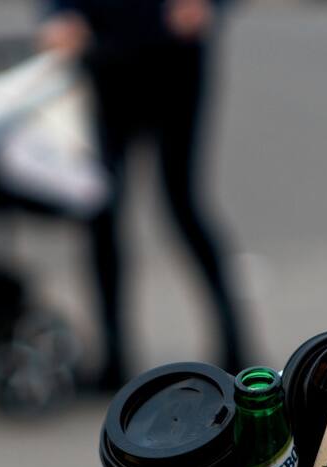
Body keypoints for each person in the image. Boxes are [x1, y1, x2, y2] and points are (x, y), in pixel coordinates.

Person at [38, 0, 248, 388]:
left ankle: (235, 344)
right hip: (104, 56)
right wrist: (59, 14)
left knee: (183, 204)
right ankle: (114, 355)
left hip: (175, 57)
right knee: (100, 208)